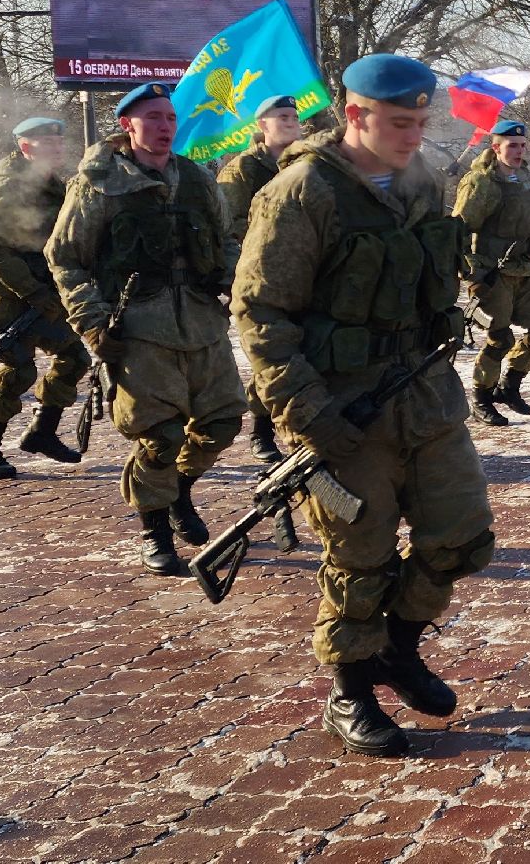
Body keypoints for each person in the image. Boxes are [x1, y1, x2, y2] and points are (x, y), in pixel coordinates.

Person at [233, 53, 491, 757]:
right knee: (360, 557)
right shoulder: (301, 192)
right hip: (343, 412)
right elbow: (260, 313)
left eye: (419, 122)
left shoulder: (421, 184)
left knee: (461, 536)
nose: (413, 136)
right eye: (398, 123)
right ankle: (349, 693)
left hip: (426, 399)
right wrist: (307, 412)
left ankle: (398, 650)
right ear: (354, 115)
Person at [47, 81, 246, 576]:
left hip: (202, 322)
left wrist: (237, 286)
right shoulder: (99, 183)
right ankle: (154, 530)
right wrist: (92, 322)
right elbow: (65, 258)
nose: (164, 127)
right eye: (153, 118)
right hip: (137, 327)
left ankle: (178, 491)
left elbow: (224, 242)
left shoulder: (198, 180)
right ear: (127, 125)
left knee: (222, 424)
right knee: (159, 437)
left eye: (170, 118)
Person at [0, 118, 90, 478]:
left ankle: (42, 431)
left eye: (58, 142)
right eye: (48, 142)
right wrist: (33, 292)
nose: (57, 148)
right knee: (16, 371)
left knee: (73, 358)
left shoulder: (55, 187)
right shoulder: (9, 188)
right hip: (13, 298)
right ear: (25, 147)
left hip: (50, 295)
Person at [218, 93, 307, 462]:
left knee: (302, 352)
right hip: (259, 277)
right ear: (262, 125)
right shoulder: (242, 171)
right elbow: (225, 223)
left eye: (293, 116)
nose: (290, 122)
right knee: (267, 355)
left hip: (304, 273)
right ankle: (261, 429)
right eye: (281, 116)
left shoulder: (307, 165)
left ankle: (299, 427)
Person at [453, 120, 530, 427]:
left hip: (522, 268)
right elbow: (458, 231)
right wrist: (473, 273)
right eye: (512, 146)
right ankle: (481, 398)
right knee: (500, 338)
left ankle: (509, 386)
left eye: (522, 145)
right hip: (492, 273)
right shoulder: (480, 182)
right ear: (496, 148)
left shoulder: (523, 176)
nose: (519, 151)